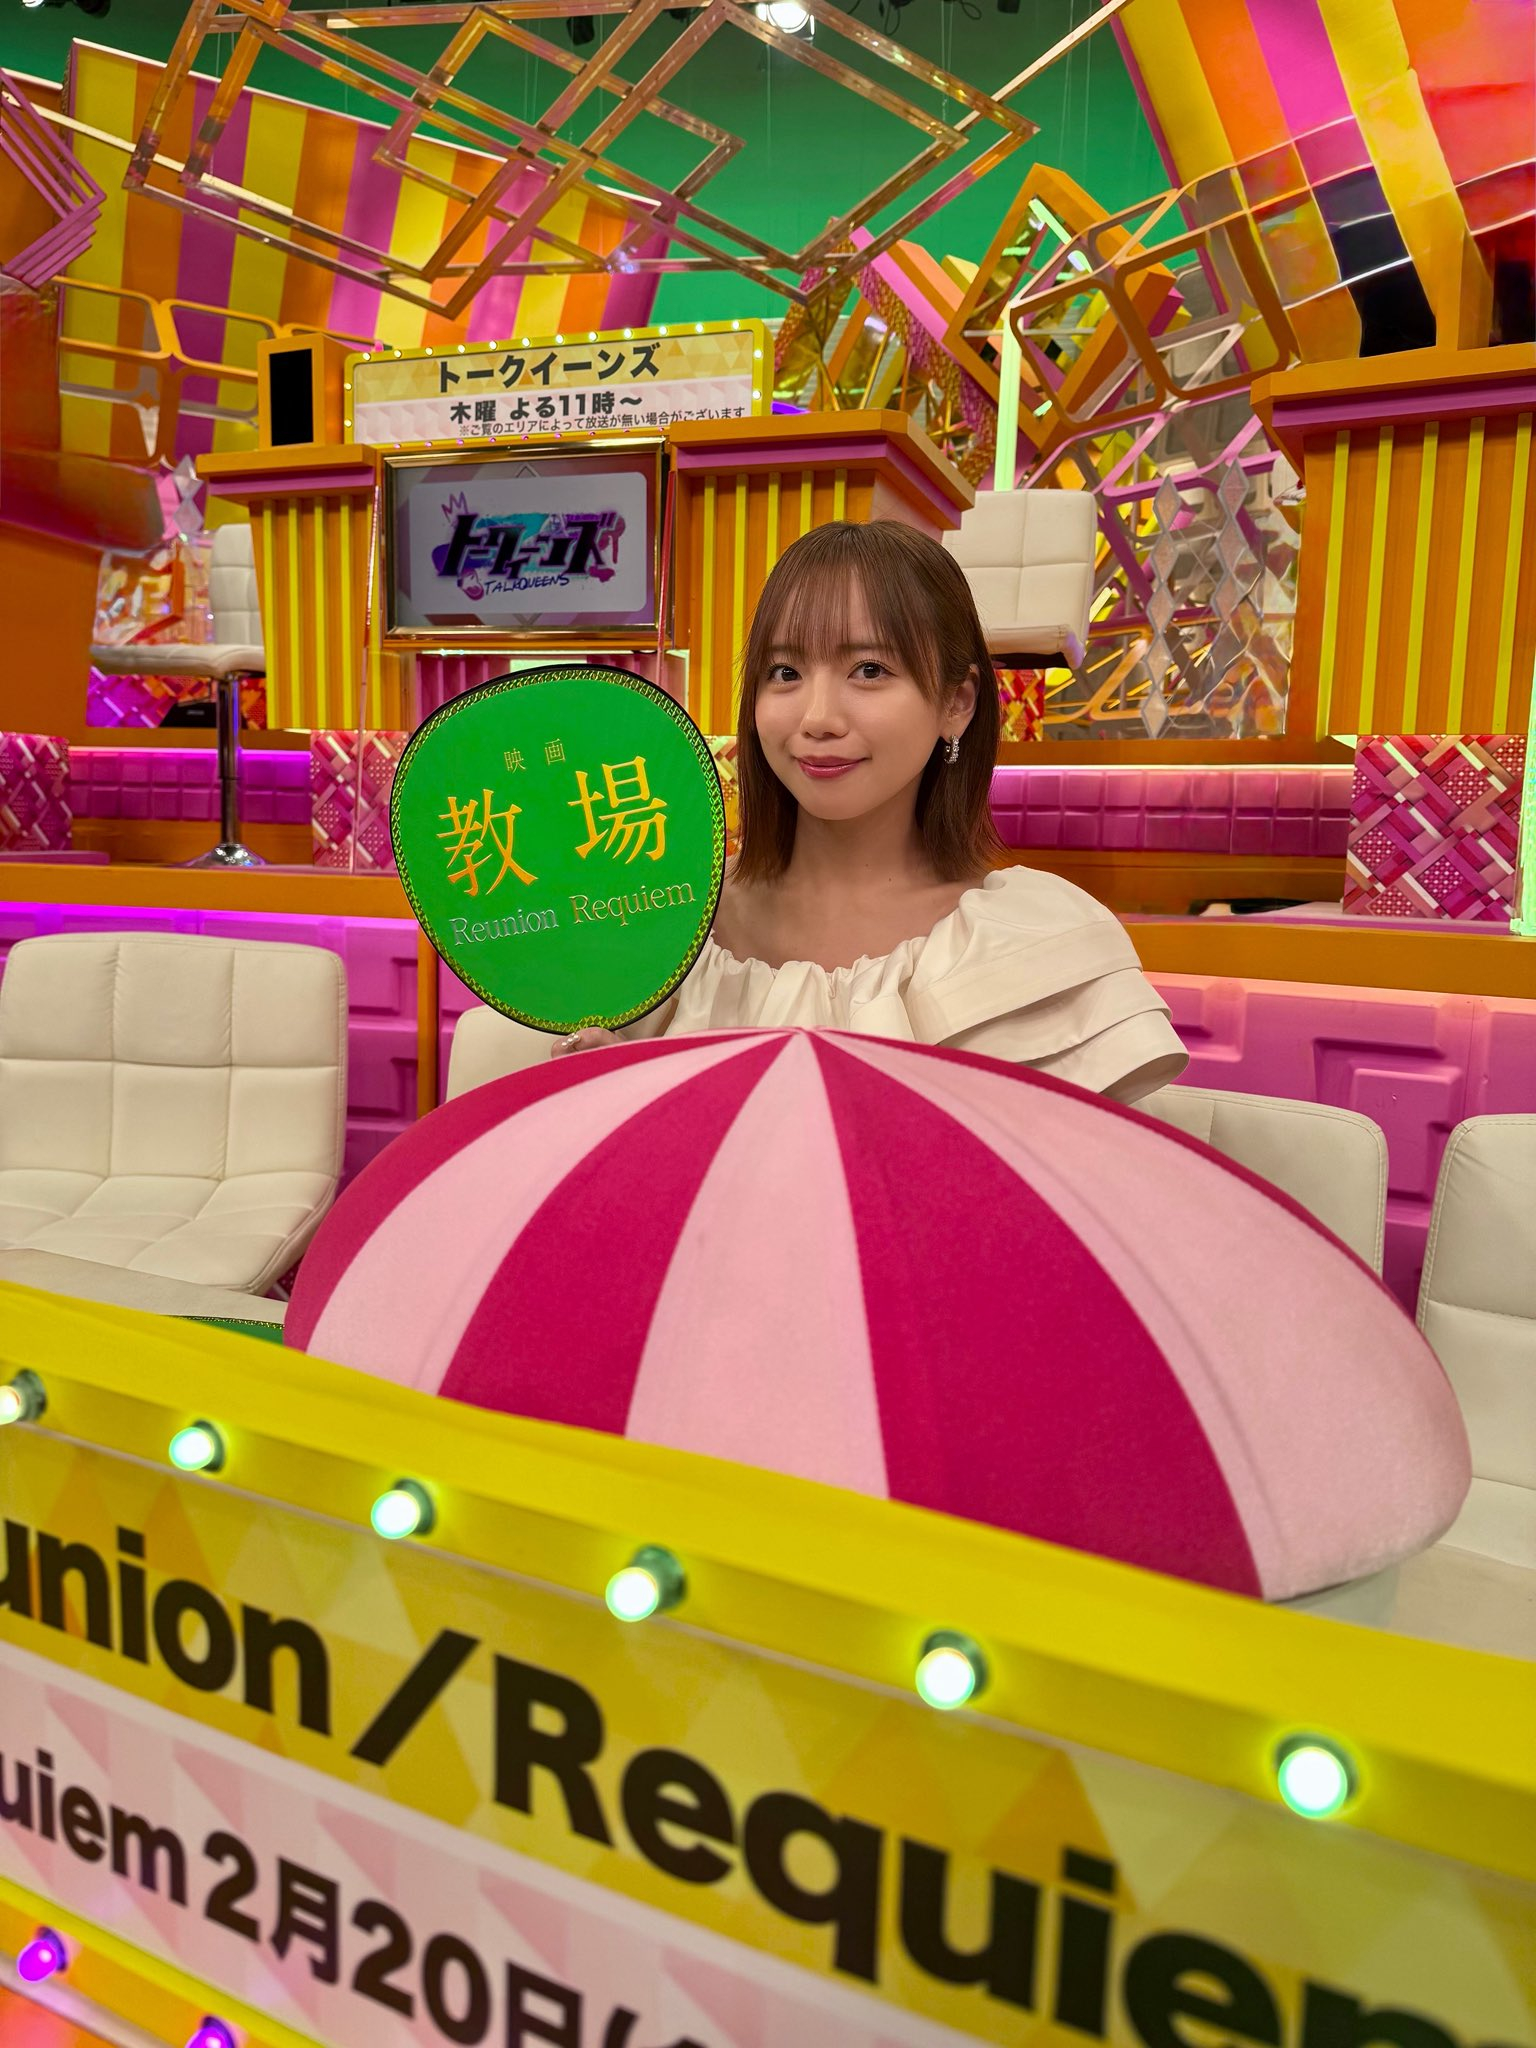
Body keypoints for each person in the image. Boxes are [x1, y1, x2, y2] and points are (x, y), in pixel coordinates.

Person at [555, 520, 1186, 1103]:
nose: (817, 718)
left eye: (869, 669)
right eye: (785, 671)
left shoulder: (1030, 941)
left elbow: (1053, 1170)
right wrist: (611, 1094)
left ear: (957, 702)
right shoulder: (662, 920)